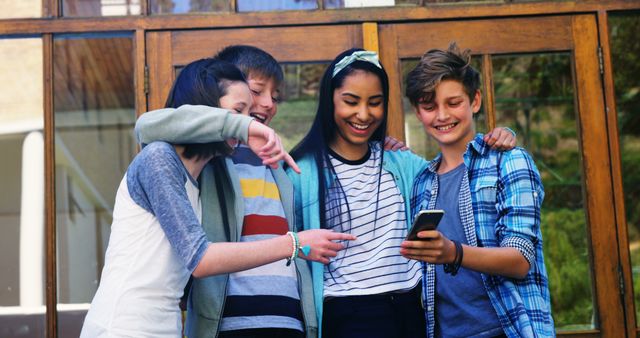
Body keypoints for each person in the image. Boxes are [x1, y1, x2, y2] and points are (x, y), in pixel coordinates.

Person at [81, 58, 353, 338]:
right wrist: (294, 244)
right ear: (208, 112)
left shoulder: (200, 180)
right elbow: (201, 259)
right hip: (122, 325)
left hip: (164, 326)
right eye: (238, 112)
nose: (247, 121)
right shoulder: (158, 159)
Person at [286, 48, 517, 338]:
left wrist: (499, 136)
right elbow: (288, 249)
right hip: (345, 314)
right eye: (350, 101)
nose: (363, 114)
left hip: (412, 309)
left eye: (375, 103)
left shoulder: (401, 163)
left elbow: (452, 169)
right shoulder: (301, 172)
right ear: (329, 100)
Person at [400, 43, 554, 338]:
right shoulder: (421, 183)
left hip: (508, 329)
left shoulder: (509, 161)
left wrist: (453, 253)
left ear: (475, 101)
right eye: (429, 107)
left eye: (453, 102)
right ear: (418, 113)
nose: (442, 115)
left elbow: (521, 259)